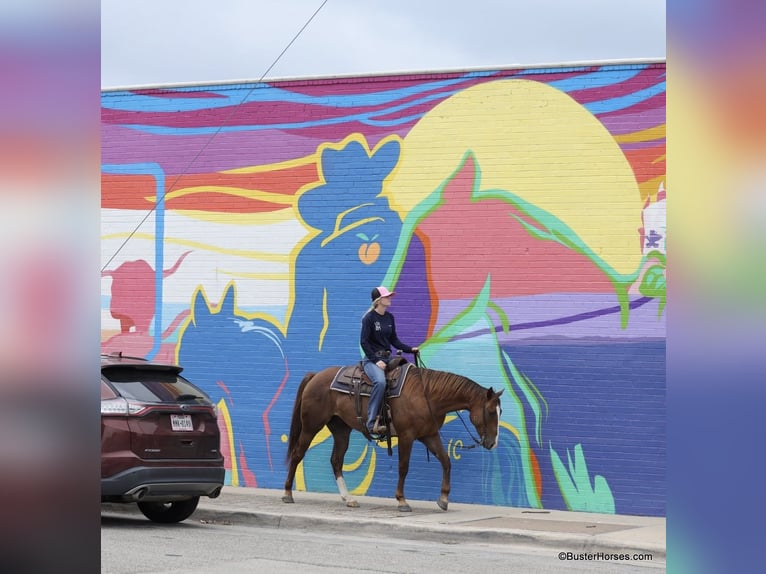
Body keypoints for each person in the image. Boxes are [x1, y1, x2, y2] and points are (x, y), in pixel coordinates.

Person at [360, 286, 419, 434]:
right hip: (372, 360)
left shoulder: (389, 317)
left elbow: (394, 340)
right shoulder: (369, 318)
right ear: (379, 301)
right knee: (380, 382)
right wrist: (375, 360)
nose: (389, 298)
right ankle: (371, 422)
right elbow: (364, 342)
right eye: (387, 296)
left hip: (387, 358)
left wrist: (409, 349)